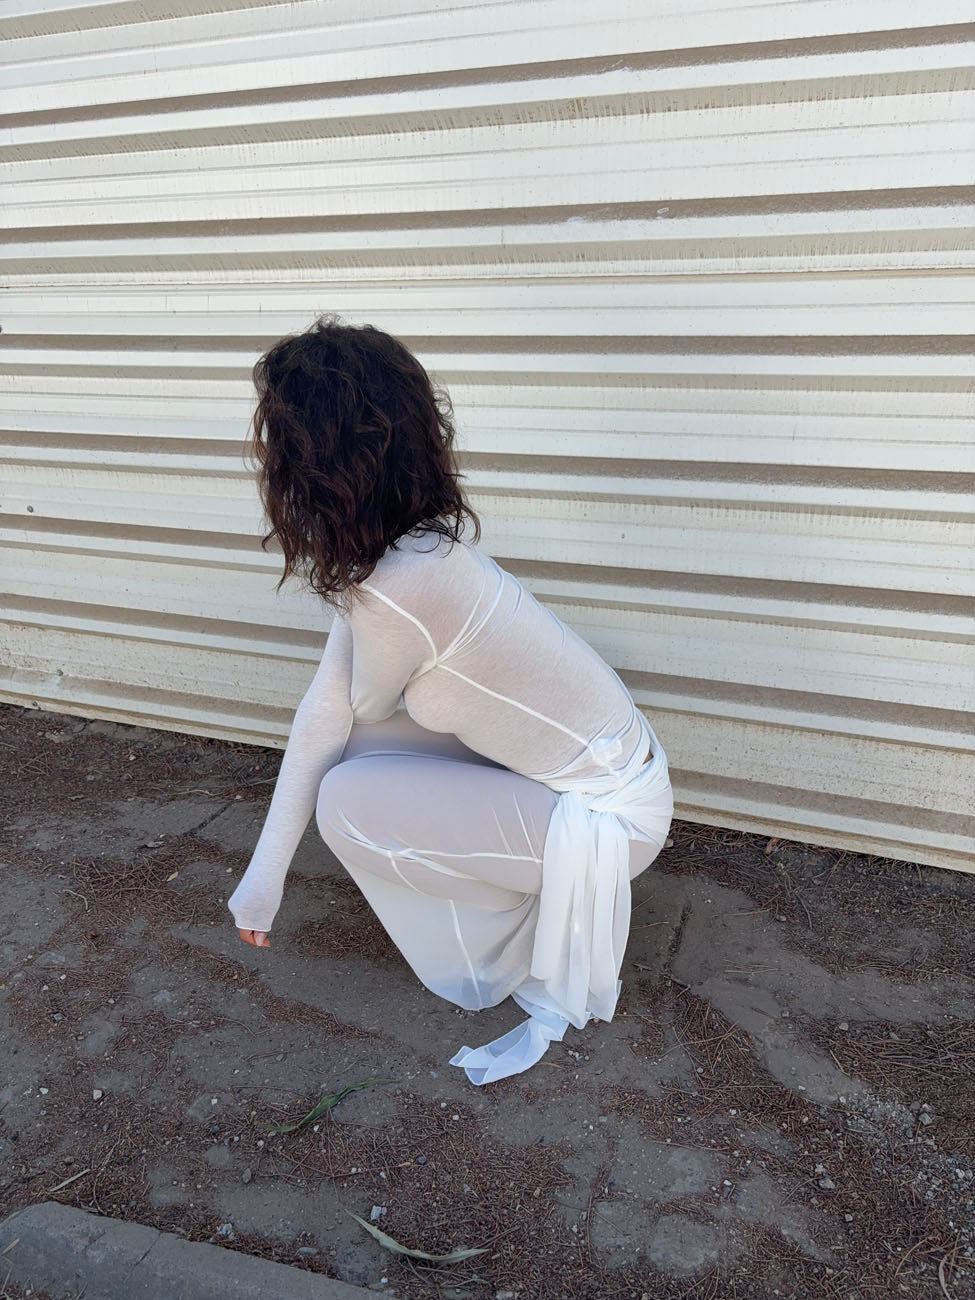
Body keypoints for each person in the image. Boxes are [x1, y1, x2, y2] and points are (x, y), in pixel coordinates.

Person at [226, 313, 674, 1084]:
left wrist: (267, 878)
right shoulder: (416, 544)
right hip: (606, 775)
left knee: (349, 799)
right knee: (352, 756)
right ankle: (504, 892)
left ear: (311, 460)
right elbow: (328, 712)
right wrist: (264, 877)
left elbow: (359, 703)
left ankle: (496, 952)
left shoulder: (397, 585)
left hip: (609, 822)